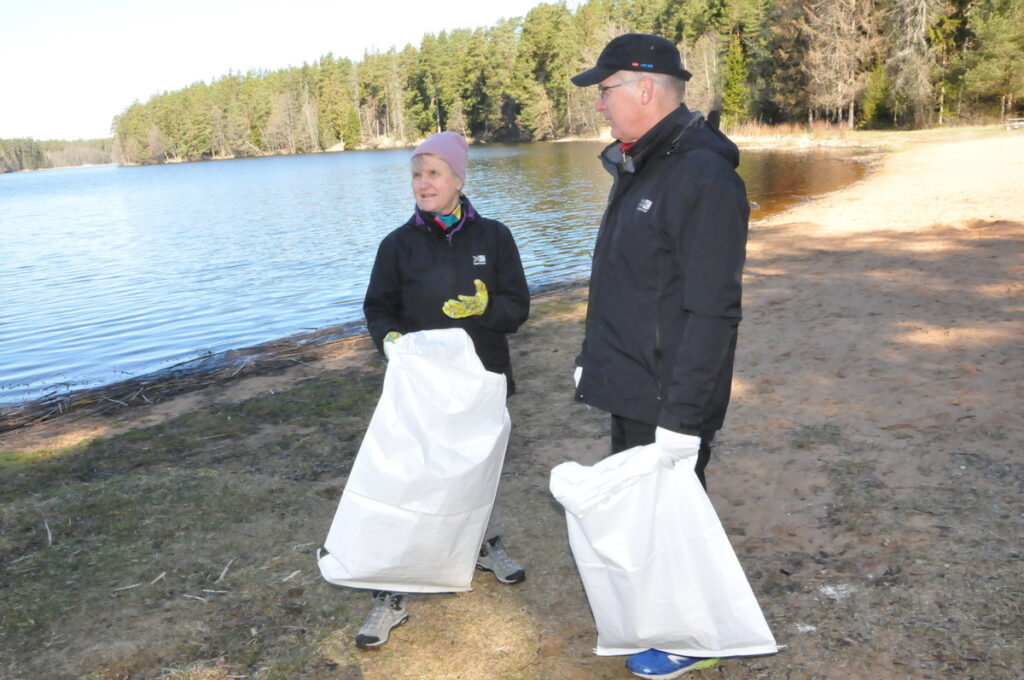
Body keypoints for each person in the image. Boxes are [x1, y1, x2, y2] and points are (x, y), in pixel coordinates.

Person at [569, 34, 750, 678]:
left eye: (606, 89)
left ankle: (694, 636)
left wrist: (684, 412)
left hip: (669, 393)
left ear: (645, 88)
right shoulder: (640, 164)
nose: (600, 104)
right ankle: (661, 616)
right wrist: (596, 359)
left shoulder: (699, 175)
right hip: (630, 383)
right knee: (644, 518)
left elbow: (712, 309)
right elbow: (633, 283)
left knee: (673, 521)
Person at [357, 131, 531, 649]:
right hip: (421, 387)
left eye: (434, 173)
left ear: (459, 179)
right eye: (416, 173)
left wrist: (485, 310)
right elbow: (378, 306)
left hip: (481, 380)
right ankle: (389, 594)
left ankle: (487, 544)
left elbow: (517, 307)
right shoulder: (397, 245)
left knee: (482, 469)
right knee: (409, 484)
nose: (423, 183)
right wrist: (387, 339)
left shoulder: (494, 238)